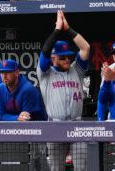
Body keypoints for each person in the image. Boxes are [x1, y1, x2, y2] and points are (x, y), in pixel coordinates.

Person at [39, 11, 90, 171]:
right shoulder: (45, 73)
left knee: (81, 168)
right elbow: (45, 51)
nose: (67, 59)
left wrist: (67, 29)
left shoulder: (77, 70)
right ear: (53, 58)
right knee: (56, 168)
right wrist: (56, 30)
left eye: (68, 56)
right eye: (62, 57)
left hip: (77, 124)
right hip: (55, 126)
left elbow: (86, 48)